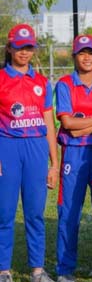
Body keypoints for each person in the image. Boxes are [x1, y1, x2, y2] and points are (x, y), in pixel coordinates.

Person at [0, 24, 58, 282]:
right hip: (8, 147)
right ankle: (4, 270)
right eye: (18, 47)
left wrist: (54, 163)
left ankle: (37, 269)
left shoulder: (42, 82)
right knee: (5, 212)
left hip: (36, 148)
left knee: (35, 212)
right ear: (9, 48)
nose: (24, 52)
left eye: (28, 47)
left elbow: (49, 123)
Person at [55, 34, 92, 281]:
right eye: (82, 53)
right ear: (74, 56)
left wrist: (83, 127)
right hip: (75, 155)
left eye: (91, 52)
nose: (87, 57)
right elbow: (67, 122)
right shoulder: (65, 83)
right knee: (69, 213)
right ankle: (65, 270)